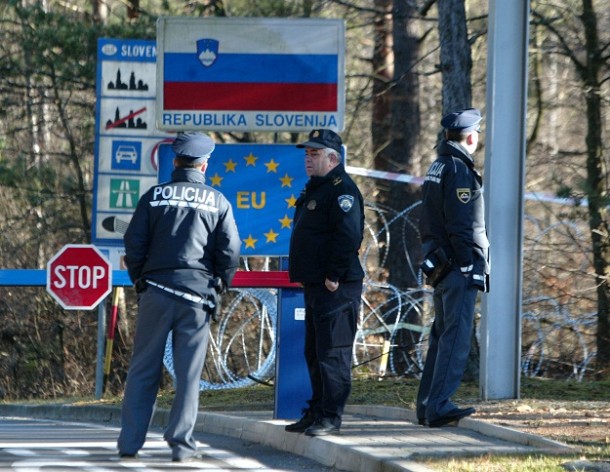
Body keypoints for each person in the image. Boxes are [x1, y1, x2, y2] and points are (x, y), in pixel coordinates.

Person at [117, 132, 241, 461]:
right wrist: (218, 286)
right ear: (205, 164)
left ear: (175, 162)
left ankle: (130, 443)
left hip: (156, 293)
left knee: (143, 370)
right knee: (188, 376)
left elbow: (134, 244)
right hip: (197, 298)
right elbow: (229, 253)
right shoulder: (218, 202)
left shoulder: (153, 197)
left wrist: (140, 281)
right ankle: (182, 446)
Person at [286, 129, 365, 436]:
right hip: (317, 285)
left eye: (314, 154)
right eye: (307, 154)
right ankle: (317, 410)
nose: (308, 159)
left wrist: (332, 275)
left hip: (337, 286)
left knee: (333, 353)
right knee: (315, 351)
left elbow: (348, 236)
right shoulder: (317, 188)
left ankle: (331, 416)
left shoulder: (341, 189)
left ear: (333, 158)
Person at [416, 108, 490, 428]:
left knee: (441, 336)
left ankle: (426, 404)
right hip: (456, 267)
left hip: (440, 264)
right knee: (455, 338)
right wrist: (468, 264)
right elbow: (462, 225)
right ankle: (439, 405)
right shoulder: (458, 170)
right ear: (471, 137)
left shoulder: (438, 165)